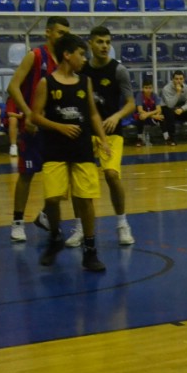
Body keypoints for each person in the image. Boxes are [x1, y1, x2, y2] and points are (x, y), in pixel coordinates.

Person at [30, 33, 111, 273]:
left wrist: (103, 139)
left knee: (86, 199)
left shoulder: (85, 81)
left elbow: (93, 113)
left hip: (82, 148)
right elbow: (35, 116)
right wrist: (60, 127)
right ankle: (55, 235)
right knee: (52, 198)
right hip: (55, 149)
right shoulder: (46, 83)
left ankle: (90, 249)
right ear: (67, 55)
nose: (84, 59)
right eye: (81, 54)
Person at [61, 26, 136, 248]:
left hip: (111, 133)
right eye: (100, 42)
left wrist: (117, 115)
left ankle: (122, 223)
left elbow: (131, 103)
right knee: (80, 183)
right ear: (91, 44)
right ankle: (80, 227)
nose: (104, 46)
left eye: (107, 42)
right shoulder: (81, 69)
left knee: (112, 175)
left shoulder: (118, 70)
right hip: (85, 132)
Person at [7, 16, 71, 243]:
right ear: (48, 32)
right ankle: (17, 222)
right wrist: (28, 114)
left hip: (54, 127)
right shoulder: (35, 56)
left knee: (62, 176)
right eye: (60, 32)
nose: (63, 37)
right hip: (33, 128)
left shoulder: (65, 60)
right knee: (26, 175)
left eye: (66, 34)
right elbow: (13, 86)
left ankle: (46, 216)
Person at [160, 70, 187, 145]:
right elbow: (170, 105)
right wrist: (178, 92)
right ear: (172, 79)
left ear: (183, 79)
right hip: (168, 108)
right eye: (176, 79)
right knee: (169, 113)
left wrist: (182, 109)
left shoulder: (186, 88)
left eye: (181, 79)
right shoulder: (166, 89)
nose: (179, 81)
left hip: (180, 108)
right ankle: (171, 138)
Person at [134, 79, 164, 146]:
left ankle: (167, 137)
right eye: (146, 88)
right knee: (141, 116)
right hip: (143, 115)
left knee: (161, 117)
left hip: (150, 116)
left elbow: (158, 109)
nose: (148, 90)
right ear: (142, 88)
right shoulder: (139, 95)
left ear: (152, 88)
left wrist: (150, 115)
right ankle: (139, 139)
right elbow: (140, 110)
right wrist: (153, 116)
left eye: (150, 88)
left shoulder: (155, 95)